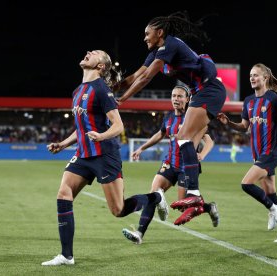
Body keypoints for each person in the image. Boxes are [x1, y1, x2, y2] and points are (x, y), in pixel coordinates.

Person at [41, 50, 168, 266]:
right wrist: (63, 144)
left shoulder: (101, 90)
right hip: (83, 155)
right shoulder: (77, 90)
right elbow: (81, 128)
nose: (89, 52)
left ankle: (156, 197)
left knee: (118, 210)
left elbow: (118, 126)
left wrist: (101, 136)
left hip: (104, 154)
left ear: (101, 66)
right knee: (64, 193)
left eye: (95, 53)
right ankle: (66, 255)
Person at [116, 11, 227, 225]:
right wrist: (114, 87)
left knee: (183, 137)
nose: (144, 38)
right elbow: (136, 76)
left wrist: (122, 100)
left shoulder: (171, 44)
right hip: (202, 91)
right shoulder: (156, 53)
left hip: (209, 89)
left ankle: (194, 194)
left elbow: (147, 78)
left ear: (159, 32)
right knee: (189, 141)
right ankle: (197, 204)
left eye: (147, 34)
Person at [122, 85, 219, 244]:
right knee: (153, 193)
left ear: (187, 99)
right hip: (169, 163)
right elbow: (159, 135)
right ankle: (139, 233)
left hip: (186, 167)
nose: (176, 99)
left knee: (183, 206)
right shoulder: (168, 118)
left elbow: (209, 140)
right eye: (173, 96)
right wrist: (141, 148)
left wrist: (202, 154)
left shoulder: (194, 117)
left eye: (180, 96)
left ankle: (209, 207)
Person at [217, 63, 277, 242]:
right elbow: (244, 127)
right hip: (258, 154)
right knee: (270, 193)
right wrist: (229, 123)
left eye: (256, 75)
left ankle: (272, 209)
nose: (252, 78)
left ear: (265, 78)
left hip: (270, 152)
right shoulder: (248, 101)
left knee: (246, 184)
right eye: (250, 75)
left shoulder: (274, 99)